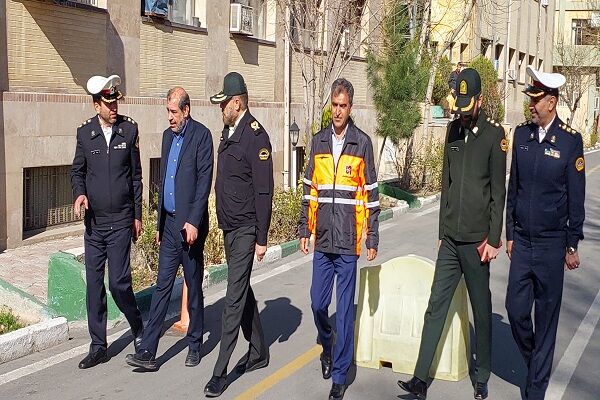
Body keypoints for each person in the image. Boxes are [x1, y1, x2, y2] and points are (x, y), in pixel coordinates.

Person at [398, 68, 507, 400]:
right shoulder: (452, 131)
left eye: (466, 105)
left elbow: (498, 193)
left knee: (481, 310)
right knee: (436, 306)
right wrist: (441, 231)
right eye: (458, 105)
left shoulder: (494, 136)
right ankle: (419, 379)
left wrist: (493, 240)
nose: (461, 112)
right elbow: (446, 184)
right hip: (450, 241)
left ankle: (482, 376)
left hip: (477, 243)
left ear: (480, 100)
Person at [505, 66, 585, 400]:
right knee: (515, 309)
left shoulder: (569, 141)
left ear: (551, 102)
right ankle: (537, 360)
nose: (531, 106)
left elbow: (576, 197)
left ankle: (536, 388)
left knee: (547, 315)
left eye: (536, 100)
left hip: (552, 244)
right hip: (523, 242)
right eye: (531, 99)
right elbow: (514, 188)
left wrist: (572, 243)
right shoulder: (522, 136)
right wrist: (509, 232)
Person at [299, 78, 380, 400]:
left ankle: (340, 376)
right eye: (334, 105)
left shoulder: (362, 143)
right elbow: (310, 190)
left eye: (343, 106)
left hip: (348, 241)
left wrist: (372, 237)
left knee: (344, 312)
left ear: (351, 107)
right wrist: (305, 230)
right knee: (318, 303)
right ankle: (327, 343)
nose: (337, 111)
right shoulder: (318, 141)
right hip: (323, 240)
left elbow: (371, 195)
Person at [125, 87, 213, 371]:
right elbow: (164, 182)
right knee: (162, 286)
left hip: (190, 226)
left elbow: (203, 183)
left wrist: (194, 221)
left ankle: (195, 344)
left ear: (186, 110)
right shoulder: (166, 137)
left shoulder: (202, 136)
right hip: (171, 224)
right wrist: (161, 224)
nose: (170, 117)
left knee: (193, 285)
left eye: (174, 112)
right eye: (167, 111)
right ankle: (148, 351)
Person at [203, 72, 273, 398]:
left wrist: (262, 237)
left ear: (237, 103)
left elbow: (264, 191)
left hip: (246, 229)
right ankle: (258, 351)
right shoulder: (229, 131)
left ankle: (220, 373)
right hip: (229, 226)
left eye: (223, 104)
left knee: (232, 298)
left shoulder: (256, 137)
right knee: (242, 288)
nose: (221, 109)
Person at [71, 75, 144, 369]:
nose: (114, 108)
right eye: (108, 104)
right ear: (96, 105)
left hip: (121, 221)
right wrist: (79, 194)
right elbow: (77, 172)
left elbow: (136, 177)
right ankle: (98, 346)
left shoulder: (129, 130)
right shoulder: (84, 134)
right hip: (94, 224)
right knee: (94, 286)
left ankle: (137, 325)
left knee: (118, 284)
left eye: (115, 103)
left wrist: (137, 215)